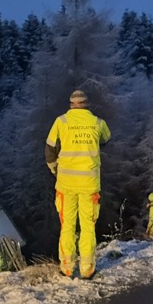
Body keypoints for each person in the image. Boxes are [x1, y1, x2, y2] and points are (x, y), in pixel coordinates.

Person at [45, 89, 112, 279]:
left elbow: (49, 149)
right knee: (88, 226)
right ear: (87, 104)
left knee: (67, 225)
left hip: (66, 184)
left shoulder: (61, 121)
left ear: (71, 104)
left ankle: (66, 267)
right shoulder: (98, 122)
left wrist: (55, 170)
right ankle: (87, 269)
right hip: (89, 184)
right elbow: (106, 138)